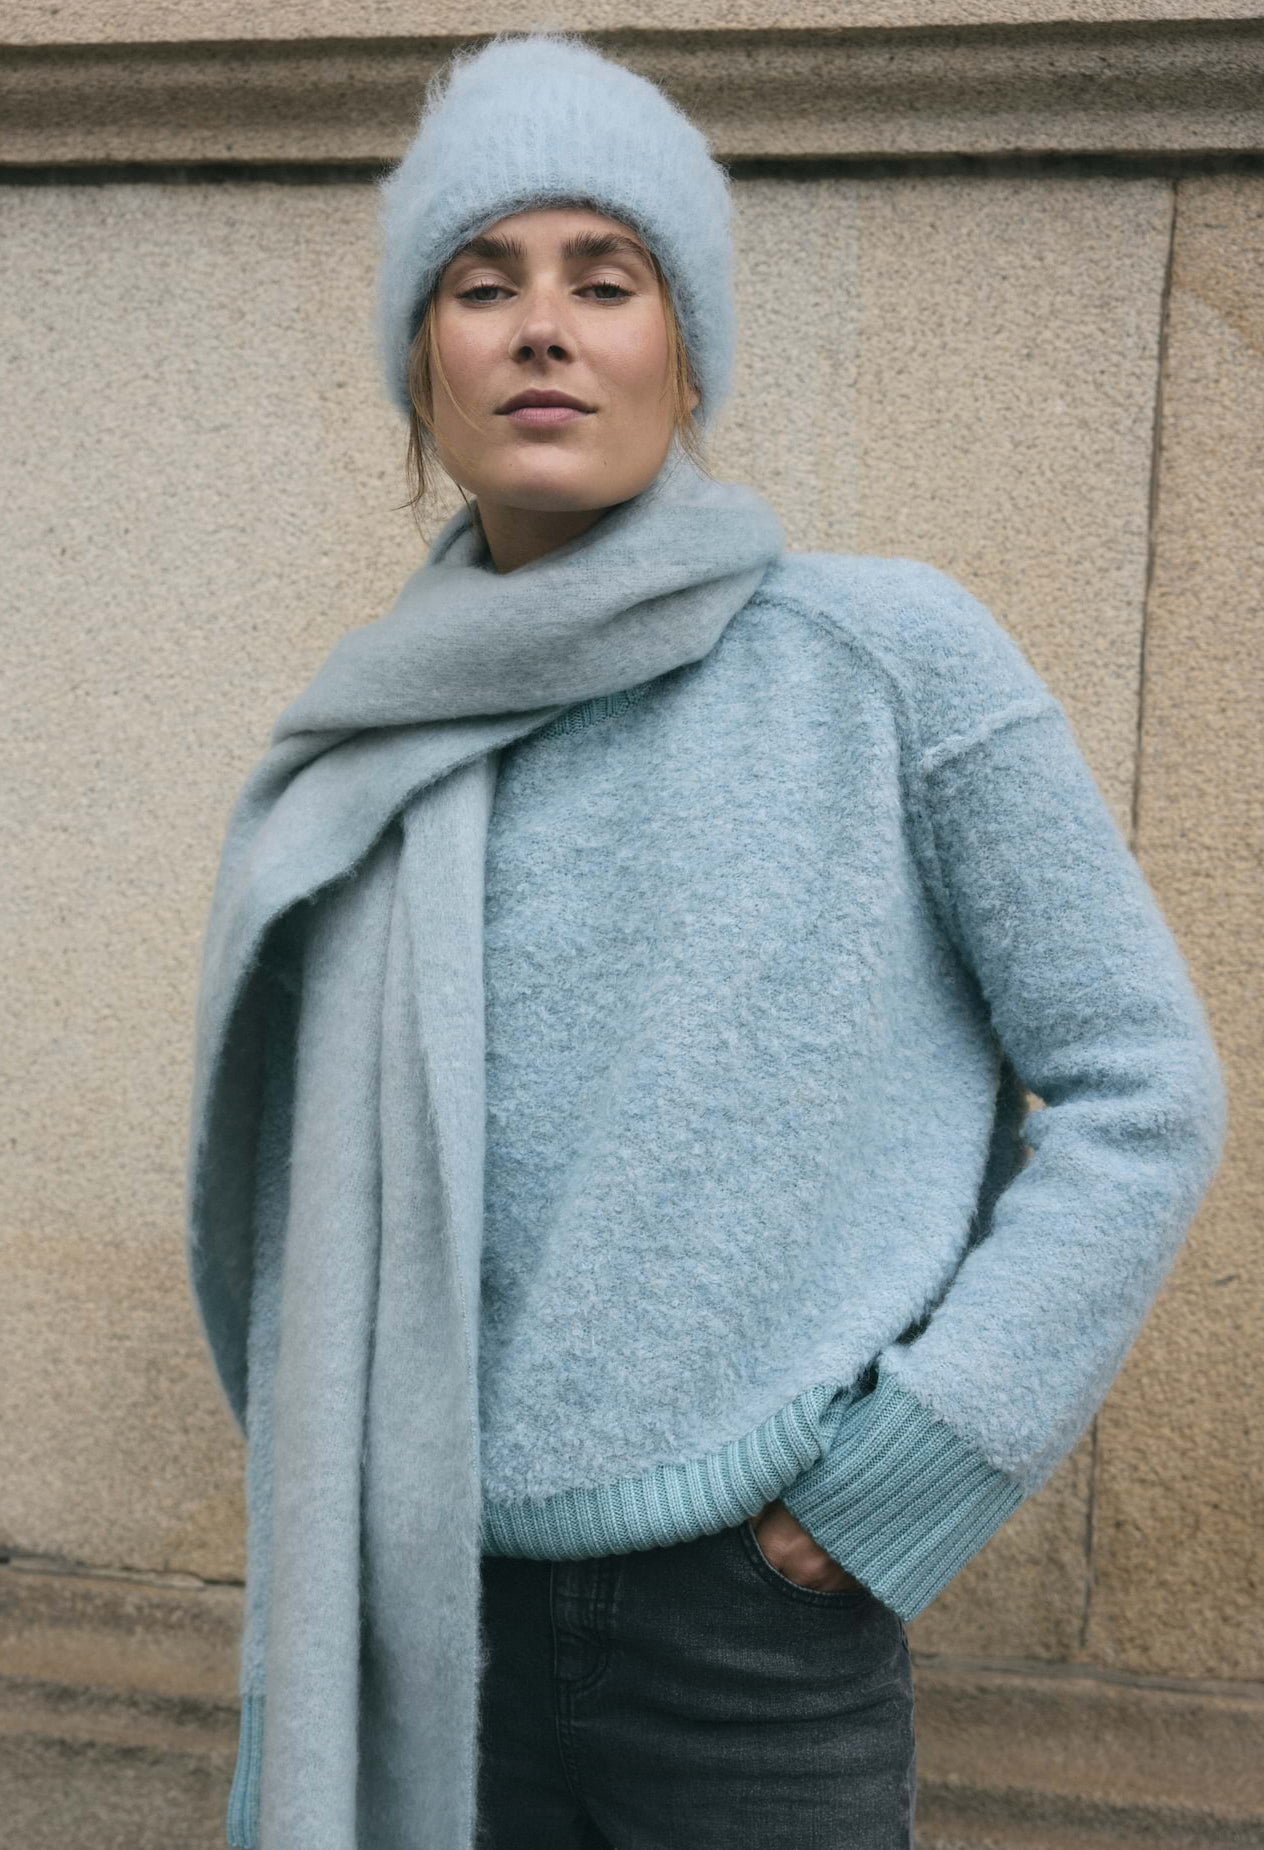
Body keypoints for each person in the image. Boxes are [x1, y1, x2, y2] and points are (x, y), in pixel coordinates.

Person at [183, 29, 1228, 1850]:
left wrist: (904, 1471)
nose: (542, 327)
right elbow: (277, 1213)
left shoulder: (885, 662)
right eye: (482, 284)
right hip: (430, 1617)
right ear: (421, 365)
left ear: (686, 349)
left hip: (757, 1630)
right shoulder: (360, 758)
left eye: (608, 279)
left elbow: (1145, 1082)